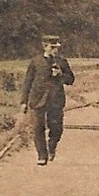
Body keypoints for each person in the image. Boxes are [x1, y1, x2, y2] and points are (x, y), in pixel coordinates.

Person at [20, 34, 75, 165]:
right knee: (38, 127)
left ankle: (52, 146)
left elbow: (71, 79)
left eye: (57, 47)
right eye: (52, 47)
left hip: (55, 100)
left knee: (56, 128)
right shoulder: (35, 61)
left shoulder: (62, 61)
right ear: (45, 47)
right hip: (38, 99)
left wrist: (61, 74)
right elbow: (28, 81)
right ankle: (42, 155)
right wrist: (23, 101)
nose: (56, 50)